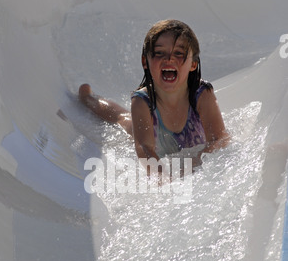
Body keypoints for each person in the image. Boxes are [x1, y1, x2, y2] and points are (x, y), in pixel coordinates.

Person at [79, 19, 230, 164]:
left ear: (193, 64)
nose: (169, 58)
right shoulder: (142, 101)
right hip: (152, 129)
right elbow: (145, 149)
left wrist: (196, 162)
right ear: (145, 62)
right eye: (159, 53)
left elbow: (219, 139)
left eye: (178, 53)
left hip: (187, 151)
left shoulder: (202, 94)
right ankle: (88, 98)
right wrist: (161, 177)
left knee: (125, 118)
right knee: (122, 119)